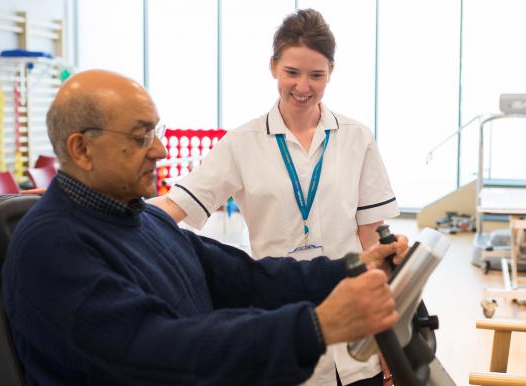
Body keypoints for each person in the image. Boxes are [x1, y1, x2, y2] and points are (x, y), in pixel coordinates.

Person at [2, 69, 409, 386]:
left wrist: (354, 266)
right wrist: (317, 326)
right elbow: (156, 349)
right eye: (142, 136)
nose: (160, 150)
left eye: (156, 132)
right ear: (82, 149)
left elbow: (247, 278)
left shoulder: (139, 218)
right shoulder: (52, 247)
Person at [151, 9, 399, 385]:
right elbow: (174, 206)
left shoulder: (356, 137)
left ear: (331, 71)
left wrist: (389, 334)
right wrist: (93, 207)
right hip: (285, 322)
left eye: (316, 75)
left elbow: (371, 238)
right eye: (292, 73)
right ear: (273, 67)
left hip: (354, 321)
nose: (303, 86)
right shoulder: (241, 143)